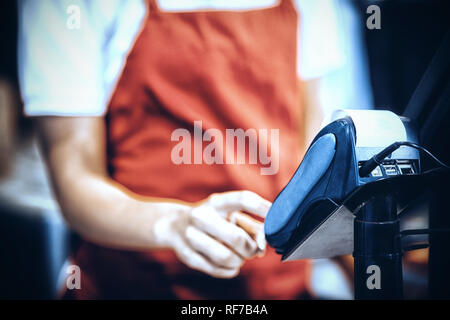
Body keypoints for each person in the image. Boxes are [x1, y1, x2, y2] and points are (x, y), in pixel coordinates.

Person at [18, 0, 345, 299]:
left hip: (277, 286)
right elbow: (75, 178)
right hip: (134, 284)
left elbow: (307, 158)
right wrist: (174, 224)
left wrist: (365, 253)